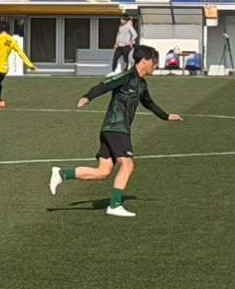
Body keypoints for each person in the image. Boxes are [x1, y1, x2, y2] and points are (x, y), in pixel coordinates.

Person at [51, 45, 181, 218]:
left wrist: (166, 116)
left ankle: (62, 174)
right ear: (145, 60)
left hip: (115, 130)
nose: (156, 66)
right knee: (128, 164)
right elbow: (105, 84)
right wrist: (87, 97)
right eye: (154, 62)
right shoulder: (126, 76)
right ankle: (115, 205)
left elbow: (149, 103)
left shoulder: (141, 84)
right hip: (116, 128)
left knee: (103, 172)